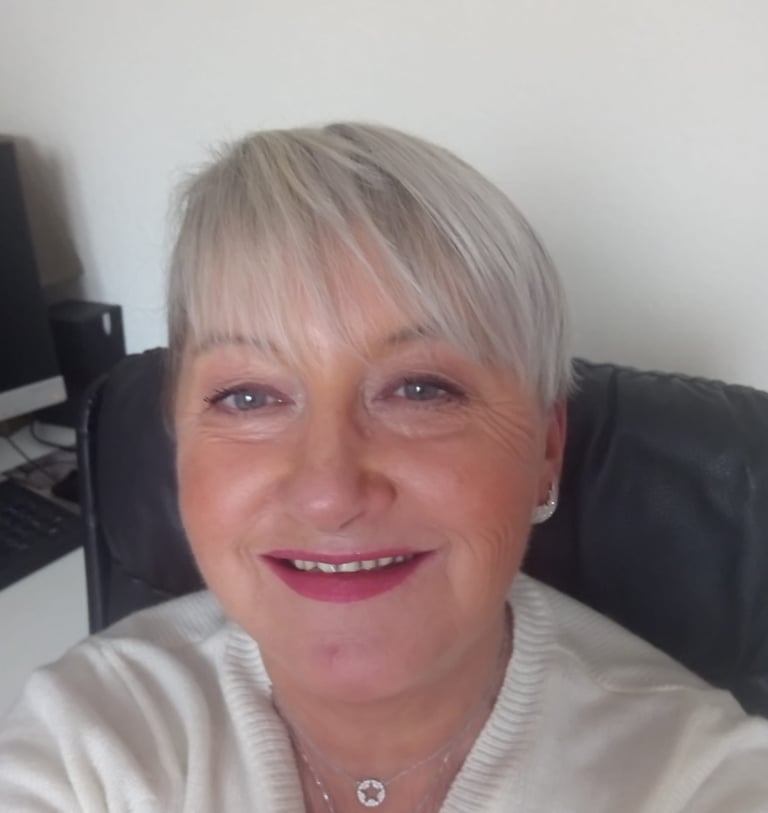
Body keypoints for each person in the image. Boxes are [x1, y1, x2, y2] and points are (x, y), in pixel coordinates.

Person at [1, 123, 767, 813]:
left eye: (421, 389)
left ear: (546, 449)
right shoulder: (88, 741)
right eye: (248, 396)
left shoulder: (693, 777)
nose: (329, 491)